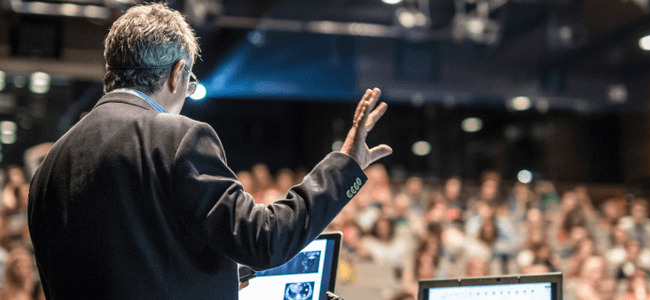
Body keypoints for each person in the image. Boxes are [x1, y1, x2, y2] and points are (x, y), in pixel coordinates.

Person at [27, 3, 392, 299]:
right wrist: (347, 165)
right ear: (178, 74)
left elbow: (125, 267)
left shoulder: (51, 164)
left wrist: (213, 279)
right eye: (190, 82)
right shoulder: (177, 136)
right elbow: (265, 241)